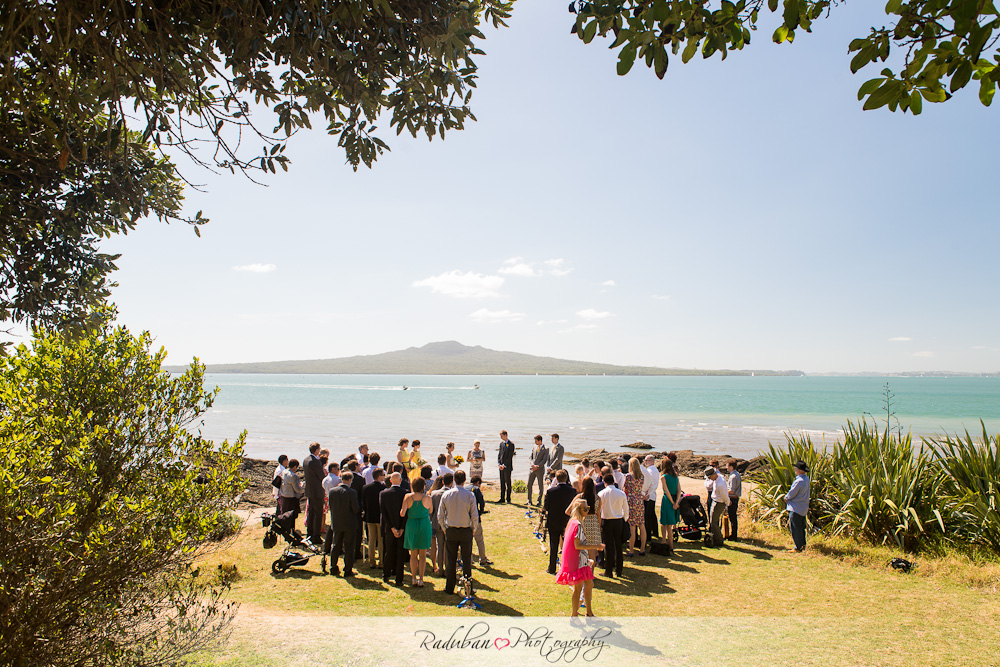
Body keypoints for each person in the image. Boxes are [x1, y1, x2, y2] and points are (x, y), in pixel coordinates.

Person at [556, 498, 604, 618]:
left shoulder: (573, 522)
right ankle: (574, 615)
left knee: (589, 585)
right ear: (579, 510)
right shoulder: (577, 524)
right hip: (577, 562)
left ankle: (589, 612)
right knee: (578, 589)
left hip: (581, 560)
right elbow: (577, 545)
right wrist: (596, 546)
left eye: (588, 508)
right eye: (585, 509)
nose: (587, 511)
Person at [438, 469, 479, 595]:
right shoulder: (469, 495)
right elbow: (474, 515)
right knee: (466, 559)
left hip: (451, 529)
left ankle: (449, 587)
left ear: (454, 480)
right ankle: (468, 586)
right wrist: (474, 529)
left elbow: (440, 515)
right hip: (465, 529)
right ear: (465, 480)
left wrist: (444, 528)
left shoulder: (446, 495)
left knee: (450, 559)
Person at [326, 471, 361, 577]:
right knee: (349, 546)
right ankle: (348, 569)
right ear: (350, 480)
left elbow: (330, 506)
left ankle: (333, 567)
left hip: (337, 522)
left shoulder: (332, 491)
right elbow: (355, 509)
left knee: (336, 545)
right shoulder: (352, 492)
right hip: (349, 523)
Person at [544, 469, 578, 574]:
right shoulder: (572, 491)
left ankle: (552, 567)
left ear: (556, 479)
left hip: (553, 520)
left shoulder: (551, 491)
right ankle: (567, 567)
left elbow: (546, 507)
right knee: (567, 546)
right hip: (567, 521)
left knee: (553, 545)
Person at [401, 476, 433, 587]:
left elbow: (402, 513)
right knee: (423, 555)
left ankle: (413, 578)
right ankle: (421, 579)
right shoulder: (427, 497)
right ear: (423, 486)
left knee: (413, 554)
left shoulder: (408, 497)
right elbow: (431, 510)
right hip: (424, 524)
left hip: (412, 524)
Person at [379, 472, 408, 586]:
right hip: (400, 526)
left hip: (389, 527)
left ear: (390, 480)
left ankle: (386, 574)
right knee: (400, 552)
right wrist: (401, 528)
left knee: (389, 551)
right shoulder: (405, 493)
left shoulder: (383, 493)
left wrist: (391, 527)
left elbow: (383, 513)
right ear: (400, 481)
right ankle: (399, 578)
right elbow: (406, 513)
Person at [598, 473, 628, 578]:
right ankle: (619, 570)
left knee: (608, 546)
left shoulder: (601, 493)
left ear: (604, 482)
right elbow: (626, 508)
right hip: (618, 520)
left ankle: (609, 570)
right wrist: (625, 519)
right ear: (614, 482)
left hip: (606, 520)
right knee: (618, 546)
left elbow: (599, 509)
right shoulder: (621, 493)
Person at [361, 468, 386, 569]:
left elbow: (363, 502)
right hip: (379, 517)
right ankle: (381, 561)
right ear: (379, 476)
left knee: (371, 539)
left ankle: (372, 561)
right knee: (380, 540)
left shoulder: (366, 487)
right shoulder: (383, 487)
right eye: (383, 475)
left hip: (369, 516)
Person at [428, 473, 452, 575]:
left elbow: (431, 511)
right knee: (446, 547)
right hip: (448, 523)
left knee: (439, 546)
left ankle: (440, 569)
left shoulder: (434, 493)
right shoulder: (452, 493)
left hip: (436, 523)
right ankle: (446, 569)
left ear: (443, 482)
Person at [303, 442, 326, 544]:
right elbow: (321, 476)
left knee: (311, 513)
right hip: (317, 491)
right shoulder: (316, 462)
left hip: (309, 490)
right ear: (316, 450)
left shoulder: (305, 460)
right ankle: (316, 536)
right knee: (318, 513)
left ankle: (310, 532)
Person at [785, 461, 811, 552]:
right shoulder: (806, 479)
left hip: (796, 507)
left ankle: (798, 547)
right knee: (801, 527)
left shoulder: (799, 481)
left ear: (799, 470)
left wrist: (786, 497)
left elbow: (792, 493)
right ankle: (802, 545)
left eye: (796, 468)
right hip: (803, 507)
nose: (795, 470)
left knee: (795, 528)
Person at [623, 458, 647, 556]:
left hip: (631, 500)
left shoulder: (629, 476)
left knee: (632, 526)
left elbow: (625, 488)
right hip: (639, 499)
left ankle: (631, 550)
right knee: (641, 524)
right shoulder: (641, 476)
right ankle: (642, 549)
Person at [659, 459, 680, 555]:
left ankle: (668, 545)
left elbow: (666, 491)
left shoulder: (663, 477)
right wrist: (676, 502)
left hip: (667, 500)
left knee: (665, 524)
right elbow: (679, 490)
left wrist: (672, 502)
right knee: (667, 524)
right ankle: (667, 544)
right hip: (675, 499)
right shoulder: (675, 477)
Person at [469, 476, 492, 565]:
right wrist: (481, 511)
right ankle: (483, 559)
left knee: (468, 541)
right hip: (475, 517)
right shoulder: (476, 489)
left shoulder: (465, 488)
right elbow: (481, 502)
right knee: (479, 539)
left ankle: (469, 560)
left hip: (466, 518)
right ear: (478, 482)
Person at [704, 466, 729, 547]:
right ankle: (716, 537)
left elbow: (724, 494)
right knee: (713, 521)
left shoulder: (720, 484)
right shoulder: (719, 478)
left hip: (719, 503)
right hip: (715, 501)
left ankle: (719, 540)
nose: (710, 479)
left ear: (713, 475)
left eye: (710, 477)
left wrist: (727, 502)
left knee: (713, 522)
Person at [642, 454, 660, 544]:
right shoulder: (652, 470)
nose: (645, 462)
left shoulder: (651, 470)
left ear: (652, 461)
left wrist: (647, 494)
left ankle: (648, 535)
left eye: (647, 461)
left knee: (647, 517)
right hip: (651, 495)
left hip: (650, 496)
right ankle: (655, 533)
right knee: (652, 515)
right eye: (645, 460)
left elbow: (652, 484)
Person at [527, 435, 549, 508]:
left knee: (540, 485)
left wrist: (537, 466)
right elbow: (531, 457)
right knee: (529, 484)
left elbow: (544, 460)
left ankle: (539, 501)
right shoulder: (534, 447)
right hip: (532, 469)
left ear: (540, 441)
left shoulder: (545, 449)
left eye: (536, 441)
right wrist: (533, 465)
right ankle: (529, 500)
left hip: (539, 470)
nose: (535, 442)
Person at [497, 430, 515, 504]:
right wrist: (499, 463)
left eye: (501, 435)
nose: (501, 437)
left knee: (508, 482)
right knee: (502, 482)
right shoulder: (501, 444)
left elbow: (510, 456)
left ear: (505, 435)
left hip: (507, 466)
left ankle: (508, 498)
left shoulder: (511, 444)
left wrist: (504, 465)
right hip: (501, 466)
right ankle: (502, 498)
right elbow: (499, 454)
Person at [726, 460, 743, 541]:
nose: (726, 467)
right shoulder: (736, 474)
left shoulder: (733, 477)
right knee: (733, 517)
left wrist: (723, 491)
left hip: (733, 498)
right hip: (734, 498)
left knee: (732, 517)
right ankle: (733, 534)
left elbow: (732, 490)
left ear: (731, 467)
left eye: (727, 466)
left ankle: (733, 535)